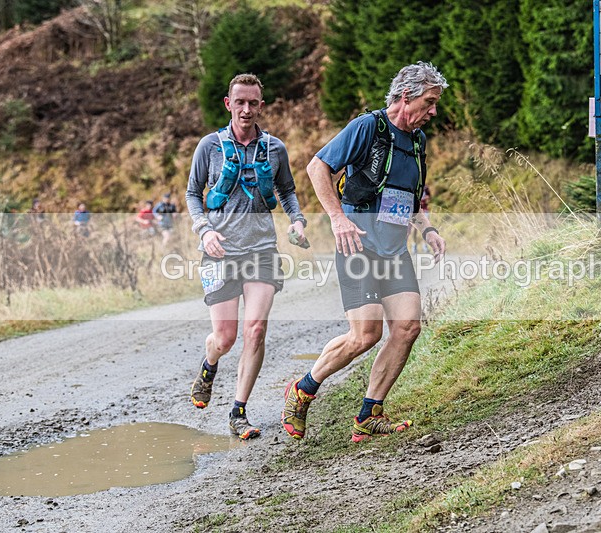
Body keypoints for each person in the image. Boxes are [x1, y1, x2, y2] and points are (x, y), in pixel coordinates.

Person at [282, 62, 447, 443]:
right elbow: (316, 167)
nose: (433, 111)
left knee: (407, 328)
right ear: (406, 97)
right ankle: (303, 389)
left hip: (394, 250)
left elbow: (411, 196)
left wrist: (429, 229)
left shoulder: (418, 141)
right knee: (365, 334)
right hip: (357, 245)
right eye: (429, 102)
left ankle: (369, 414)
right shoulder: (368, 128)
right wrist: (337, 219)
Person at [186, 73, 307, 440]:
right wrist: (204, 230)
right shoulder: (209, 146)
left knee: (255, 329)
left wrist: (298, 222)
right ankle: (209, 365)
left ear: (261, 106)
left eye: (253, 103)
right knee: (224, 338)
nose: (246, 109)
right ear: (228, 104)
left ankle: (238, 411)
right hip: (220, 251)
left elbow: (287, 191)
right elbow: (193, 194)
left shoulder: (275, 149)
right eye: (240, 102)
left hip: (261, 249)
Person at [409, 185, 432, 254]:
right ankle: (414, 245)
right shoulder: (414, 185)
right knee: (414, 229)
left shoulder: (425, 187)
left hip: (424, 210)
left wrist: (422, 199)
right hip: (415, 210)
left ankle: (425, 246)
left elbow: (429, 196)